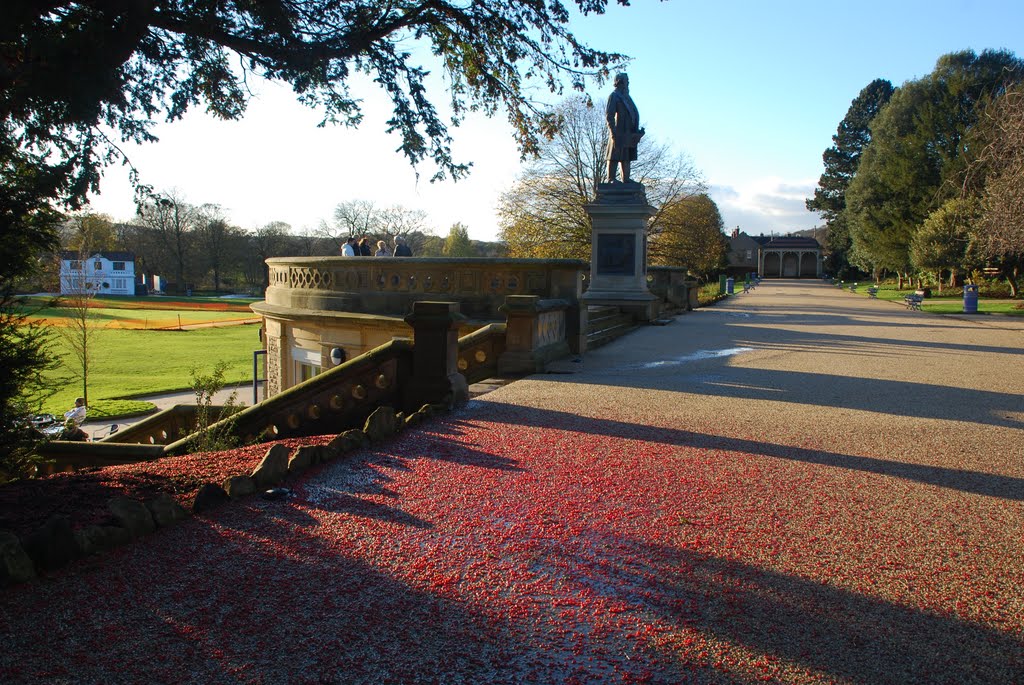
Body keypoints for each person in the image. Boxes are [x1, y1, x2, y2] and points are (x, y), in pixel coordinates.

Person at [605, 72, 645, 183]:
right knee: (614, 155)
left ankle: (626, 179)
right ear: (620, 82)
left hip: (628, 132)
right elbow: (609, 115)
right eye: (627, 81)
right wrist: (613, 132)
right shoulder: (614, 96)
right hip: (618, 131)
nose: (628, 83)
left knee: (626, 156)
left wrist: (637, 131)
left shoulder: (627, 97)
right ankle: (611, 179)